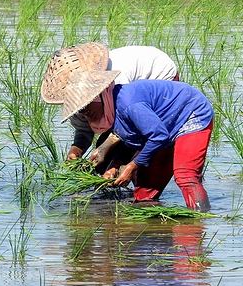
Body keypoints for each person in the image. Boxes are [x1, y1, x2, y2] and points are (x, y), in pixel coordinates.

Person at [58, 70, 213, 211]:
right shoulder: (111, 111)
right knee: (144, 193)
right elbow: (133, 139)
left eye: (87, 106)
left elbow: (158, 136)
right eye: (81, 109)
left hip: (190, 112)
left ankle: (199, 220)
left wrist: (132, 166)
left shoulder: (129, 105)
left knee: (185, 175)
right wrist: (115, 166)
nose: (85, 112)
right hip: (163, 126)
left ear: (100, 96)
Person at [41, 43, 179, 165]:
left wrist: (106, 149)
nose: (83, 111)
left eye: (86, 105)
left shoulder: (116, 82)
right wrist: (76, 150)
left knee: (134, 154)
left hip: (158, 80)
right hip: (117, 105)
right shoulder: (74, 100)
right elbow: (84, 130)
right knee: (103, 161)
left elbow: (129, 127)